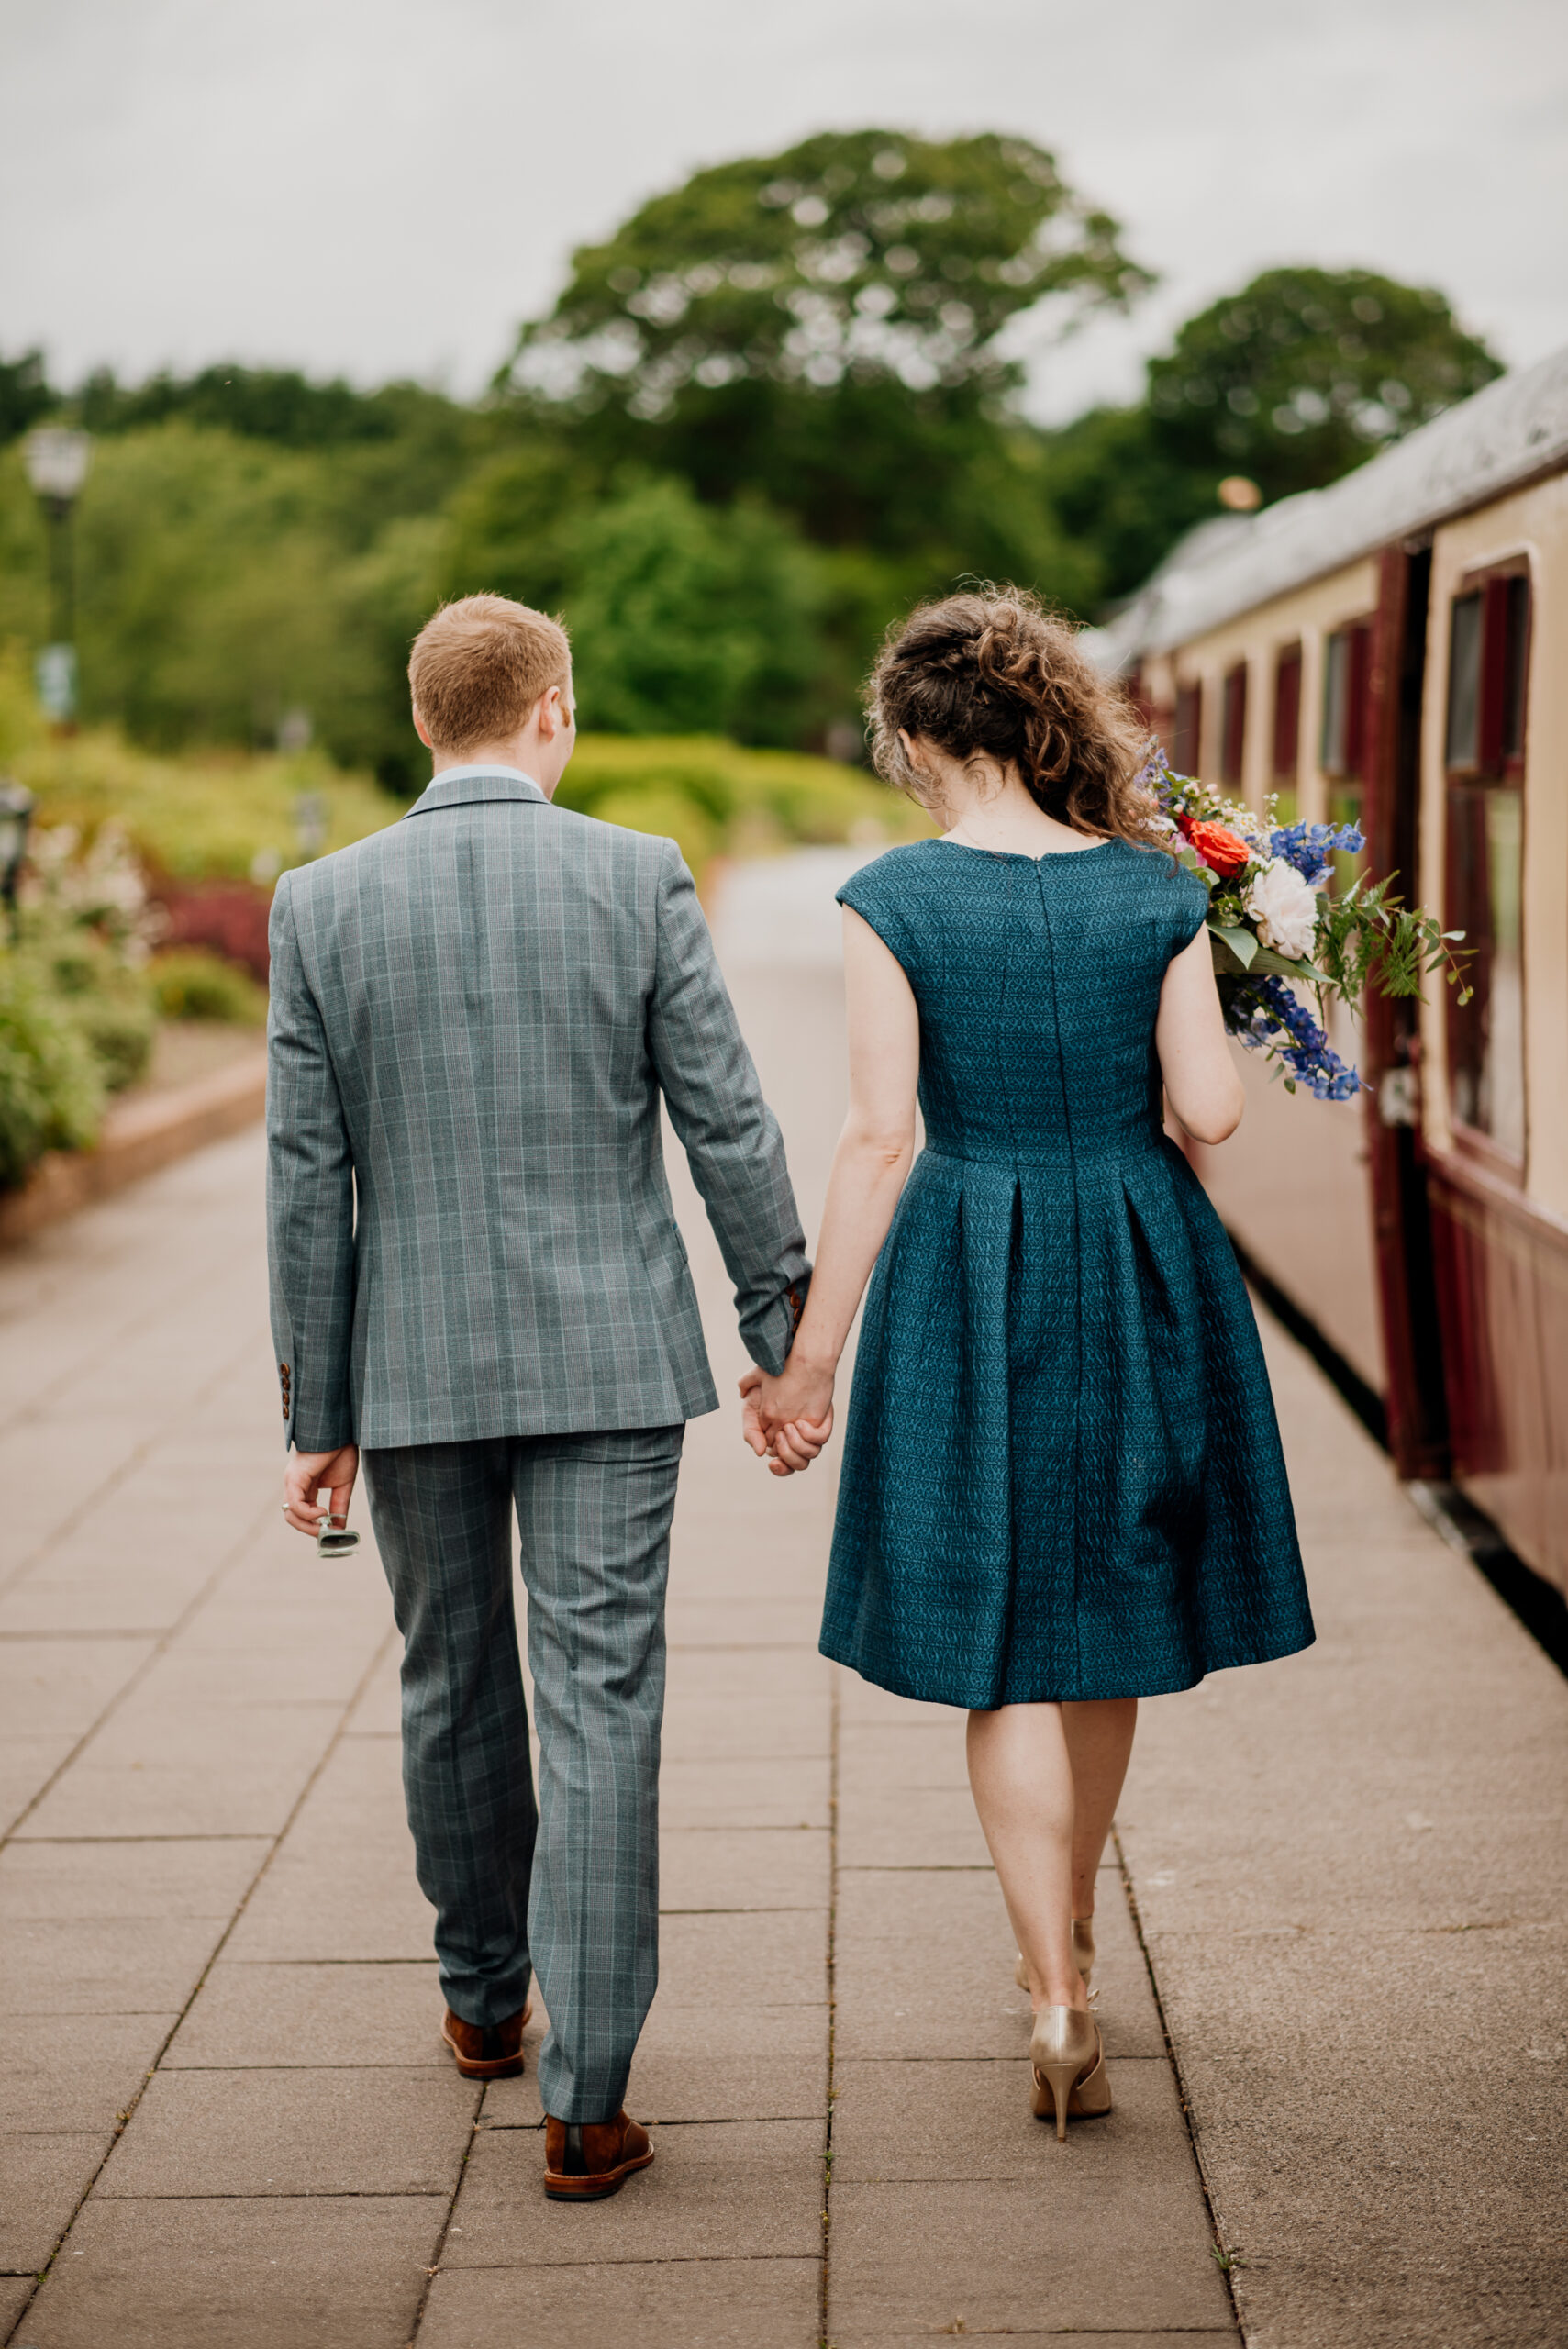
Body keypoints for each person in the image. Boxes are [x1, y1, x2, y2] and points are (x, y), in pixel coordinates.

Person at [742, 588, 1314, 2139]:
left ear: (922, 737)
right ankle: (1068, 1938)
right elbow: (1209, 1115)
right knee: (1111, 1614)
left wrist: (807, 1366)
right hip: (1138, 1253)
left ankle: (1051, 1994)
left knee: (1000, 1636)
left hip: (970, 1264)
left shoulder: (891, 898)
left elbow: (875, 1138)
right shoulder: (1153, 893)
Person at [267, 594, 808, 2200]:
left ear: (423, 720)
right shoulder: (633, 873)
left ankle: (483, 2002)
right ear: (551, 710)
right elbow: (725, 1119)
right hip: (607, 1363)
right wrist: (777, 1325)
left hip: (411, 1361)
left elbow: (310, 1177)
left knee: (449, 1680)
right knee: (601, 1695)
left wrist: (318, 1408)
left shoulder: (321, 902)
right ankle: (587, 2098)